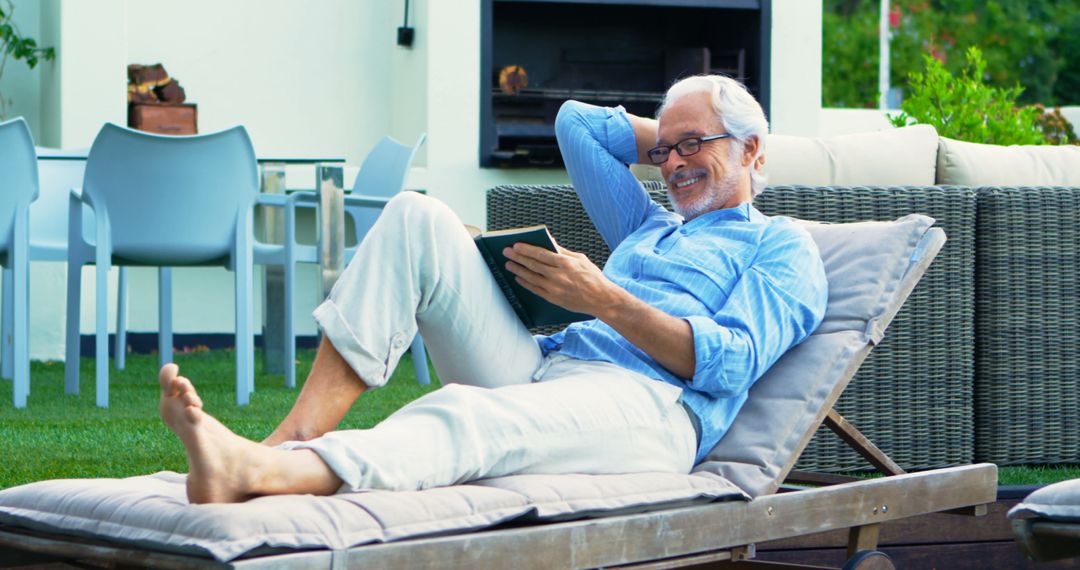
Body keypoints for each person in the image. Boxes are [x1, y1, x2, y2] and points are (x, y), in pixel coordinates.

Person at [160, 74, 829, 504]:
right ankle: (293, 436)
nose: (674, 163)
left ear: (755, 151)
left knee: (469, 414)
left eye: (694, 147)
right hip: (548, 367)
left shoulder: (782, 246)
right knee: (416, 215)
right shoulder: (647, 224)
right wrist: (687, 138)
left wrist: (603, 298)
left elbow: (731, 364)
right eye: (665, 152)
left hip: (653, 407)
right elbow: (577, 124)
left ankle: (261, 476)